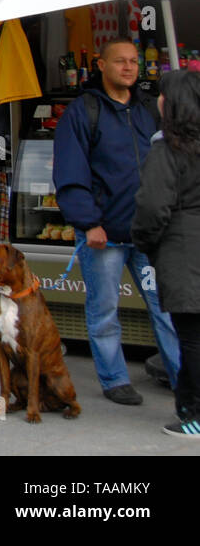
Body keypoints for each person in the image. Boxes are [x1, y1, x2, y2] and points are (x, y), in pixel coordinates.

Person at [55, 36, 181, 405]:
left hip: (149, 233)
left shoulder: (149, 111)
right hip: (104, 235)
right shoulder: (83, 111)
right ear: (101, 65)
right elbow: (70, 172)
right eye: (120, 61)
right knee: (104, 311)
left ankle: (183, 379)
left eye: (133, 62)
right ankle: (114, 380)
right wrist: (88, 221)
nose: (128, 67)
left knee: (167, 309)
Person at [133, 71, 200, 437]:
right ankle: (190, 407)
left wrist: (144, 242)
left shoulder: (168, 149)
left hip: (184, 255)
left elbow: (151, 207)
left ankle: (196, 414)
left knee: (191, 339)